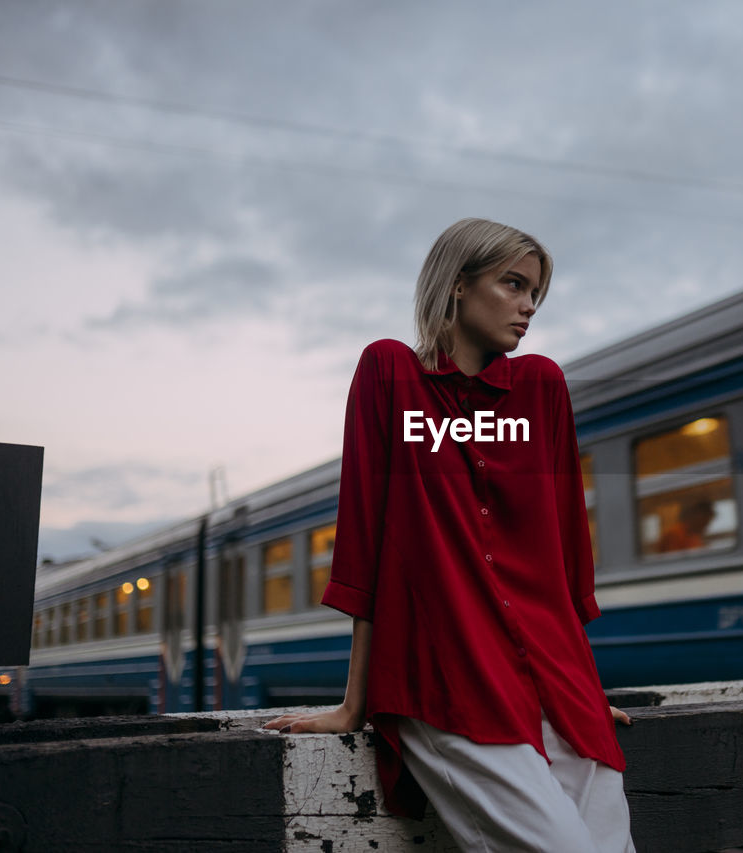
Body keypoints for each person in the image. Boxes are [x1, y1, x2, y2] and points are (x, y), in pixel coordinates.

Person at [263, 218, 637, 852]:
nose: (527, 308)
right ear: (458, 284)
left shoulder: (541, 387)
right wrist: (357, 704)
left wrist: (586, 691)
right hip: (446, 676)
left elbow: (567, 552)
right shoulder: (389, 373)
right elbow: (367, 544)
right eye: (513, 284)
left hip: (556, 679)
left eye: (536, 295)